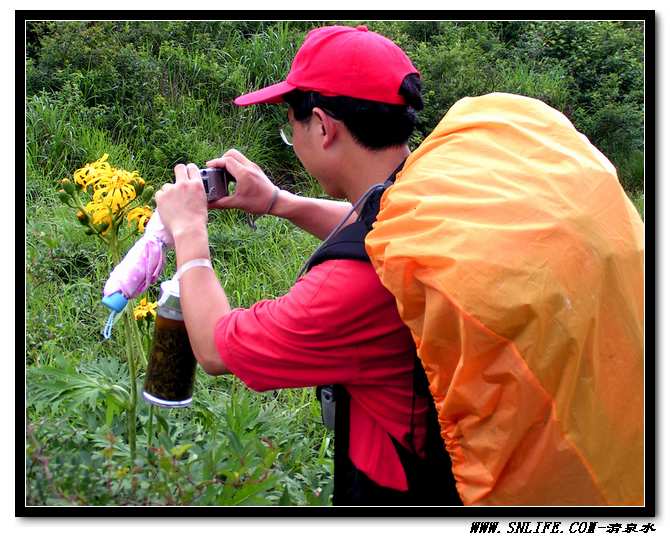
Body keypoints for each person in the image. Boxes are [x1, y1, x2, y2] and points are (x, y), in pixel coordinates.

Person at [154, 24, 462, 506]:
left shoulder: (351, 287)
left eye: (290, 125)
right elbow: (376, 228)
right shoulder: (433, 185)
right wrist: (278, 202)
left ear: (322, 125)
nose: (292, 136)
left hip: (400, 493)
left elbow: (216, 347)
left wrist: (189, 235)